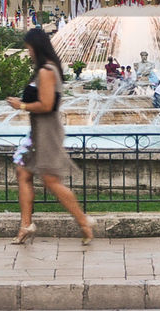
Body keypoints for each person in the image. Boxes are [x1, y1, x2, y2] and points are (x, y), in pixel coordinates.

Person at [5, 27, 95, 246]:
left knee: (51, 181)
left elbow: (46, 105)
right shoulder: (46, 69)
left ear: (36, 47)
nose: (28, 52)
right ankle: (26, 225)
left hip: (47, 132)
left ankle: (84, 221)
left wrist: (22, 105)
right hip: (37, 132)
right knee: (22, 172)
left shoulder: (46, 70)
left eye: (28, 48)